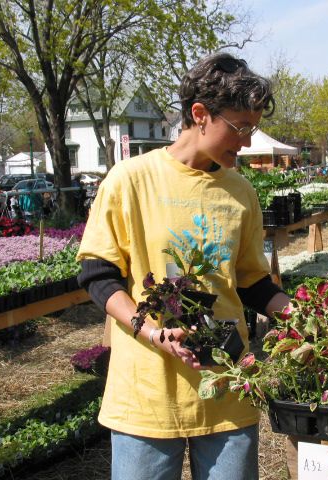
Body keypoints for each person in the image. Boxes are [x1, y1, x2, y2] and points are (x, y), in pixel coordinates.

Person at [76, 52, 291, 480]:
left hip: (227, 386)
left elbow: (251, 281)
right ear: (200, 114)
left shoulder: (241, 192)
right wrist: (152, 332)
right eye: (240, 126)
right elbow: (97, 274)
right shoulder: (131, 179)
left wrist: (302, 315)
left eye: (254, 128)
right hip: (147, 393)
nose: (247, 141)